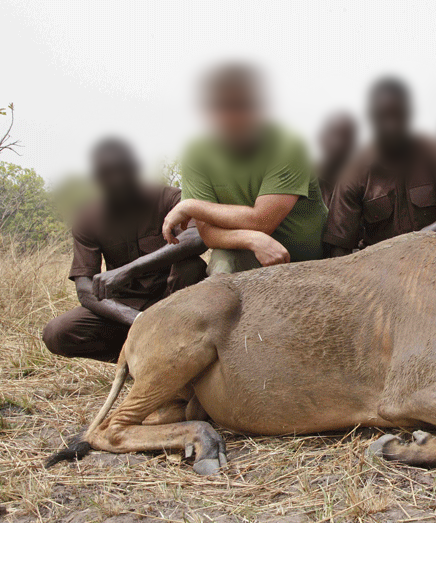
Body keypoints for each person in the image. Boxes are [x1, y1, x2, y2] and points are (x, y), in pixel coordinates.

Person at [42, 139, 208, 363]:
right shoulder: (88, 218)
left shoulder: (169, 198)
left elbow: (198, 236)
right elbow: (84, 287)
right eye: (107, 174)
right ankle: (136, 362)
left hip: (174, 301)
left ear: (135, 170)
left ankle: (183, 355)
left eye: (123, 171)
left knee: (190, 265)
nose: (117, 180)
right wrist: (139, 320)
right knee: (58, 332)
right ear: (97, 179)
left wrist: (128, 270)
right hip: (125, 311)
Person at [163, 63, 328, 274]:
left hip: (304, 264)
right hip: (246, 251)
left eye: (243, 104)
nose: (232, 115)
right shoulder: (196, 154)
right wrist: (251, 239)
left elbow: (262, 221)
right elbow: (207, 232)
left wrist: (191, 207)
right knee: (223, 267)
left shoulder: (289, 146)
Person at [324, 77, 436, 257]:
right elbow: (339, 244)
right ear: (372, 118)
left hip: (435, 253)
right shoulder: (355, 170)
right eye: (384, 117)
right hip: (381, 265)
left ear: (409, 115)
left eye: (398, 115)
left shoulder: (432, 149)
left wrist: (420, 238)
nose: (391, 125)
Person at [317, 111, 357, 207]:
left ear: (354, 143)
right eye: (333, 134)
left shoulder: (362, 183)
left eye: (346, 136)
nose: (338, 143)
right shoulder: (305, 178)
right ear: (321, 138)